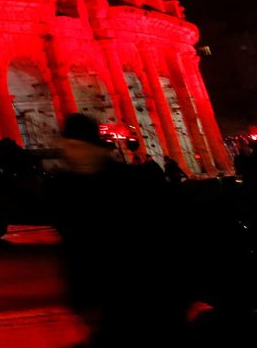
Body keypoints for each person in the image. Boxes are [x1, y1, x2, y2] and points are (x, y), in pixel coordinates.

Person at [47, 113, 187, 344]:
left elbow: (166, 238)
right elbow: (74, 249)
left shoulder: (131, 184)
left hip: (146, 295)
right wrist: (81, 299)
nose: (73, 153)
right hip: (102, 301)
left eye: (79, 146)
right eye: (69, 146)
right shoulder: (65, 189)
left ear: (97, 148)